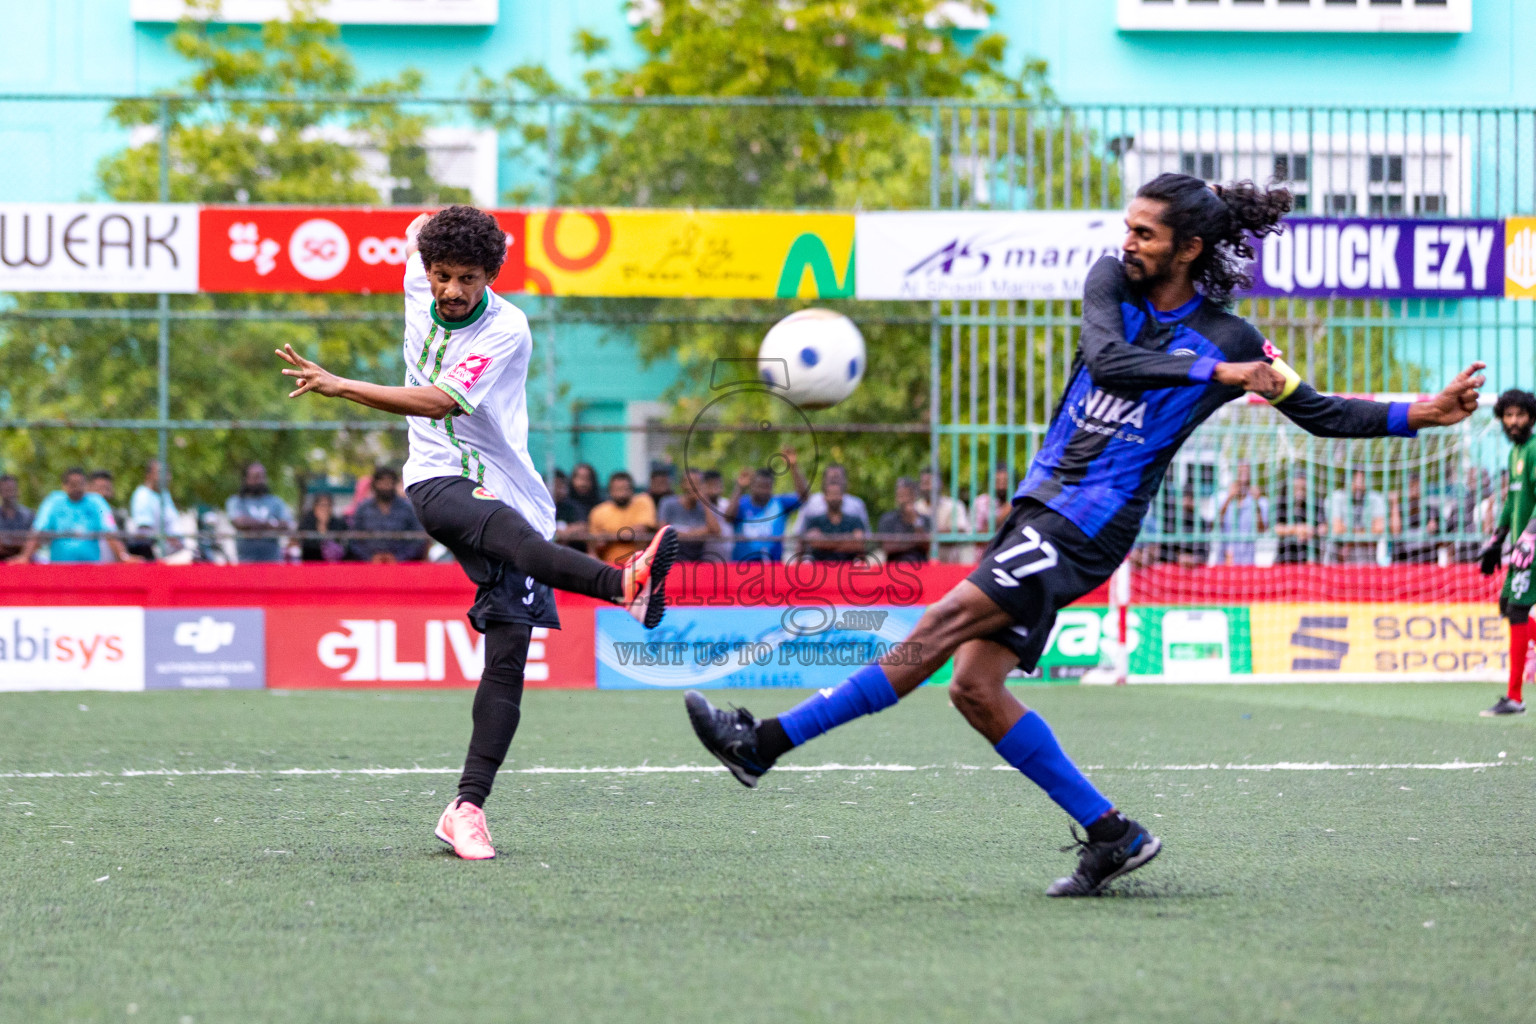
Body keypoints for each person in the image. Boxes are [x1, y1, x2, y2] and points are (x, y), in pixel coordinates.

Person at [684, 172, 1485, 896]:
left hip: (1089, 526)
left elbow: (1318, 410)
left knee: (936, 627)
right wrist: (1216, 376)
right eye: (1128, 226)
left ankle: (765, 744)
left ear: (1189, 247)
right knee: (974, 687)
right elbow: (1107, 361)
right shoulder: (1114, 284)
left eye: (1145, 233)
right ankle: (1114, 835)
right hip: (1043, 505)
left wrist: (1421, 413)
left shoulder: (1234, 339)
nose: (1125, 242)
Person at [276, 204, 677, 861]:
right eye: (441, 275)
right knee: (513, 538)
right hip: (439, 483)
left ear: (490, 275)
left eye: (467, 277)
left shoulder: (507, 328)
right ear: (425, 270)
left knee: (509, 658)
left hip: (514, 492)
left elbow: (440, 398)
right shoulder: (417, 274)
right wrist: (430, 225)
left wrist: (340, 385)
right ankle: (623, 584)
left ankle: (466, 808)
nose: (452, 290)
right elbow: (422, 227)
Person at [1477, 389, 1536, 717]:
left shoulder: (1534, 449)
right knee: (1509, 606)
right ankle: (1514, 696)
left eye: (1520, 415)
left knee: (1516, 610)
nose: (1514, 422)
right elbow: (1514, 502)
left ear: (1531, 417)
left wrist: (1528, 538)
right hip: (1522, 548)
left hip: (1532, 547)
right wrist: (1497, 540)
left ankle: (1514, 698)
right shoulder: (1516, 452)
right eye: (1508, 416)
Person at [8, 467, 137, 564]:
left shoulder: (96, 502)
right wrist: (25, 557)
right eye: (73, 485)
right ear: (64, 486)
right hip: (61, 569)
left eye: (81, 484)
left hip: (91, 569)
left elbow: (110, 532)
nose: (77, 489)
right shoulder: (53, 501)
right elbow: (39, 531)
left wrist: (123, 556)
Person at [727, 448, 809, 562]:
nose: (763, 491)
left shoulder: (780, 503)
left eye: (767, 487)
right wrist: (740, 487)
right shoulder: (742, 502)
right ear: (752, 486)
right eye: (759, 486)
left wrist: (794, 467)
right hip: (742, 566)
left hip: (773, 567)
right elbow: (728, 517)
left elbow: (804, 497)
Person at [347, 467, 426, 563]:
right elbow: (353, 538)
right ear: (375, 484)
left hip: (402, 565)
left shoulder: (407, 508)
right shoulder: (363, 508)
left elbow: (418, 537)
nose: (385, 486)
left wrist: (399, 558)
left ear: (394, 484)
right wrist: (370, 558)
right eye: (382, 482)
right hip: (369, 565)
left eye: (389, 482)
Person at [224, 462, 295, 564]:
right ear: (246, 479)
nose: (259, 481)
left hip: (272, 562)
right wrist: (271, 524)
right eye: (255, 477)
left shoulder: (276, 502)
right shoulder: (236, 501)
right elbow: (239, 523)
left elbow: (287, 524)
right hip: (246, 562)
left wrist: (253, 525)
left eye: (262, 477)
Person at [587, 471, 658, 563]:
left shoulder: (643, 501)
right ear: (610, 491)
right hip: (608, 566)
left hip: (639, 564)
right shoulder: (598, 511)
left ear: (632, 490)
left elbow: (640, 531)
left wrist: (609, 536)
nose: (621, 494)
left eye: (625, 489)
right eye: (617, 489)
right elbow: (594, 544)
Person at [657, 468, 725, 562]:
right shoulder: (668, 503)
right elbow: (663, 532)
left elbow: (716, 531)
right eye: (690, 482)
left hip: (696, 562)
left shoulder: (704, 507)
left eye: (698, 483)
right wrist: (698, 533)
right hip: (671, 562)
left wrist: (705, 501)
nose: (694, 487)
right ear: (682, 485)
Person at [794, 463, 869, 541]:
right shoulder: (811, 502)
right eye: (831, 478)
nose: (834, 480)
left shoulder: (856, 504)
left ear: (845, 480)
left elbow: (864, 537)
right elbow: (801, 534)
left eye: (837, 477)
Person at [1327, 469, 1387, 565]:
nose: (1359, 485)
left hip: (1366, 546)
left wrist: (1350, 543)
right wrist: (1364, 532)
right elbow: (1337, 529)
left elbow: (1379, 529)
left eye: (1362, 481)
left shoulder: (1375, 498)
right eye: (1355, 480)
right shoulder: (1336, 498)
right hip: (1340, 546)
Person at [800, 478, 868, 562]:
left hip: (848, 566)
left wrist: (825, 541)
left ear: (843, 496)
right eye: (831, 494)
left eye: (837, 494)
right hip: (819, 567)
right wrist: (847, 540)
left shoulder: (854, 520)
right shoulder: (814, 520)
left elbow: (859, 544)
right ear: (824, 497)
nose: (834, 498)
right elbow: (814, 543)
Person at [915, 467, 971, 564]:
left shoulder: (955, 506)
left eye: (929, 483)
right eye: (924, 484)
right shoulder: (916, 508)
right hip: (922, 567)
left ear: (941, 484)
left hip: (949, 566)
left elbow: (960, 532)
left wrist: (927, 534)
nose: (927, 488)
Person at [128, 460, 181, 560]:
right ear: (149, 475)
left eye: (168, 472)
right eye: (161, 472)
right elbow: (144, 530)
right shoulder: (142, 495)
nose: (167, 477)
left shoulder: (164, 494)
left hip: (174, 551)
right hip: (159, 555)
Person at [1217, 463, 1268, 566]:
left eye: (1246, 473)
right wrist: (1229, 499)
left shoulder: (1261, 501)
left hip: (1248, 562)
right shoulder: (1221, 497)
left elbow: (1261, 530)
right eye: (1240, 473)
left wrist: (1256, 504)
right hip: (1224, 561)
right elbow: (1214, 526)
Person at [1272, 469, 1324, 565]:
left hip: (1310, 559)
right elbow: (1277, 528)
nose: (1300, 492)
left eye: (1303, 489)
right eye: (1296, 488)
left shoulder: (1316, 502)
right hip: (1285, 558)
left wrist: (1312, 531)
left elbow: (1323, 528)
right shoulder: (1283, 502)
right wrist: (1297, 529)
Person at [877, 477, 933, 565]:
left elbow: (927, 546)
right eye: (901, 495)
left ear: (914, 496)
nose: (904, 500)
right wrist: (914, 542)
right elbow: (887, 547)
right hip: (894, 568)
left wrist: (915, 521)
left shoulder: (924, 519)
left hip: (921, 568)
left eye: (908, 495)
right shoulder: (887, 519)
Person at [1390, 475, 1442, 565]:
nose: (1414, 491)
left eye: (1417, 487)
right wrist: (1394, 503)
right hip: (1403, 563)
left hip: (1426, 563)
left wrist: (1433, 532)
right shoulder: (1398, 510)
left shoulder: (1432, 511)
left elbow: (1442, 541)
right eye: (1411, 487)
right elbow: (1395, 531)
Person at [1157, 485, 1208, 567]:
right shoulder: (1170, 521)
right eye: (1185, 497)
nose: (1187, 502)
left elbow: (1205, 554)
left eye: (1191, 498)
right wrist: (1178, 558)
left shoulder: (1202, 523)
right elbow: (1163, 553)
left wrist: (1194, 559)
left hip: (1196, 569)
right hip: (1173, 568)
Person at [298, 492, 346, 563]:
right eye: (322, 505)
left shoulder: (338, 523)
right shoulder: (306, 522)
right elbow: (303, 543)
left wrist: (324, 525)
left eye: (328, 505)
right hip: (310, 561)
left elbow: (340, 544)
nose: (325, 509)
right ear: (315, 507)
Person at [700, 469, 734, 563]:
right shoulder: (699, 506)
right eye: (710, 484)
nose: (714, 488)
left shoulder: (726, 504)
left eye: (717, 484)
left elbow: (729, 517)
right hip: (706, 561)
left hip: (728, 560)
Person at [0, 474, 34, 561]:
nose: (10, 494)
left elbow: (35, 540)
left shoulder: (28, 515)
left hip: (23, 561)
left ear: (18, 491)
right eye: (6, 490)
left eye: (12, 489)